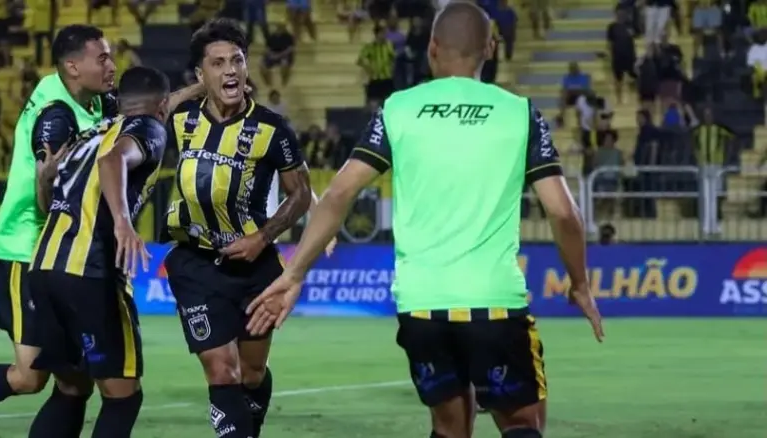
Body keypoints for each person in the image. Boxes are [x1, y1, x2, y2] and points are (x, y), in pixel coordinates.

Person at [246, 4, 604, 438]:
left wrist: (297, 272)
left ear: (432, 48)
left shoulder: (399, 109)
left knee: (449, 428)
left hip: (420, 305)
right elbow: (563, 212)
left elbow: (339, 192)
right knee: (522, 424)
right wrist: (579, 283)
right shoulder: (519, 113)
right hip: (493, 301)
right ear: (490, 48)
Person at [0, 25, 202, 438]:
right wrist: (61, 188)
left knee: (74, 382)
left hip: (57, 253)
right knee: (31, 378)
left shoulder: (96, 103)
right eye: (102, 57)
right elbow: (46, 186)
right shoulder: (56, 113)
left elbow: (146, 111)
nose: (112, 64)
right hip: (26, 249)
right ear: (73, 66)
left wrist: (196, 90)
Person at [163, 18, 314, 438]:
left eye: (237, 61)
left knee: (251, 372)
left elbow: (300, 194)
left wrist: (263, 237)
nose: (230, 70)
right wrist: (199, 88)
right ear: (200, 74)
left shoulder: (272, 128)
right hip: (194, 264)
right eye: (217, 64)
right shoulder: (180, 120)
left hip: (255, 269)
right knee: (222, 370)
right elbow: (142, 109)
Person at [27, 66, 172, 438]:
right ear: (163, 106)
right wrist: (123, 221)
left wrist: (43, 179)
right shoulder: (148, 129)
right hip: (89, 271)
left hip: (45, 266)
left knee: (71, 388)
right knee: (123, 394)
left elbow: (46, 201)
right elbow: (114, 161)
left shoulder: (90, 134)